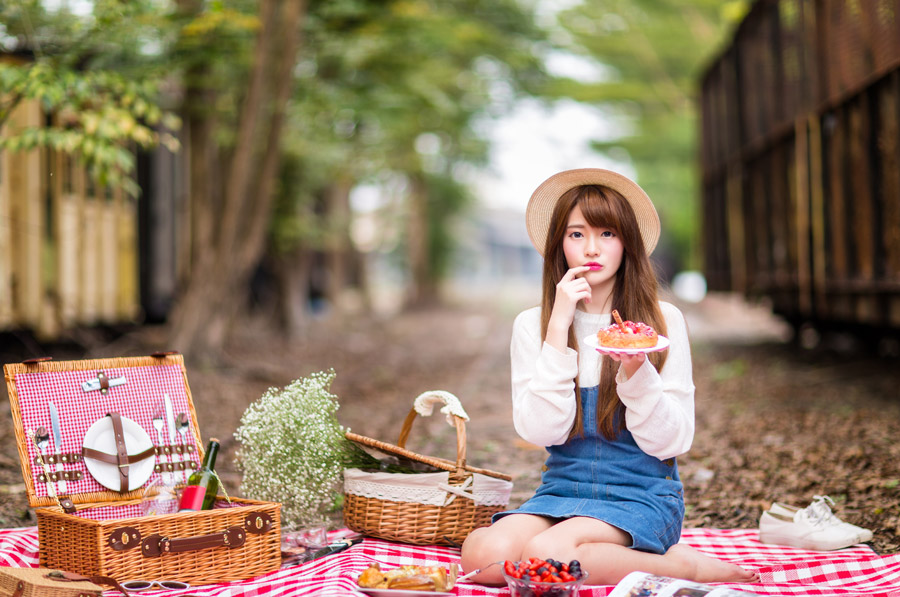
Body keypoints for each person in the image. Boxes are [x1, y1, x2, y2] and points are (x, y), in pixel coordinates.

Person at [460, 169, 757, 586]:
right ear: (559, 244)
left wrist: (637, 371)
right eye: (576, 235)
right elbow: (540, 429)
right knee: (483, 557)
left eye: (607, 234)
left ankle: (686, 567)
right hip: (563, 490)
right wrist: (558, 329)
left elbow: (672, 442)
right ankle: (601, 555)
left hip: (641, 494)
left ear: (626, 244)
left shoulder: (661, 320)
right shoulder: (533, 324)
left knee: (548, 557)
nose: (591, 249)